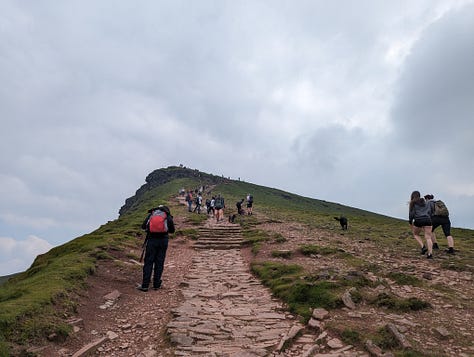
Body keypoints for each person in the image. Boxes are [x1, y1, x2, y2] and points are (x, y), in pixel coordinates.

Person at [137, 205, 175, 291]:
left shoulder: (152, 214)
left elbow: (143, 226)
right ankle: (156, 284)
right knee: (159, 262)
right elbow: (172, 230)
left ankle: (145, 285)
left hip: (151, 240)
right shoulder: (167, 215)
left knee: (148, 262)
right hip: (163, 241)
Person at [409, 191, 434, 259]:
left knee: (416, 234)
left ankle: (423, 247)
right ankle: (430, 254)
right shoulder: (426, 203)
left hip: (418, 220)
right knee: (428, 237)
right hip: (428, 220)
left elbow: (411, 215)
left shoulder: (413, 203)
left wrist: (410, 222)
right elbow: (430, 211)